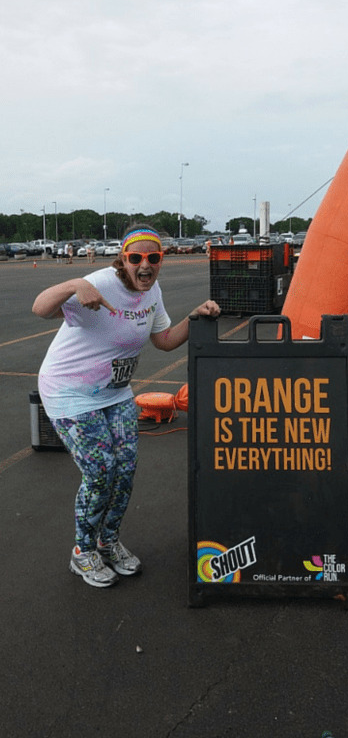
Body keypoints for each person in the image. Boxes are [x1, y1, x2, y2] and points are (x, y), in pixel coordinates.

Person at [33, 224, 221, 588]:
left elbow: (164, 340)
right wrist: (74, 285)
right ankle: (83, 551)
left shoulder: (152, 293)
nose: (145, 265)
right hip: (69, 392)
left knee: (125, 470)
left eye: (154, 257)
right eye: (136, 258)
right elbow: (40, 308)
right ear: (123, 259)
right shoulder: (101, 283)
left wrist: (196, 315)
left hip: (115, 393)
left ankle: (108, 541)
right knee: (101, 471)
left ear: (161, 260)